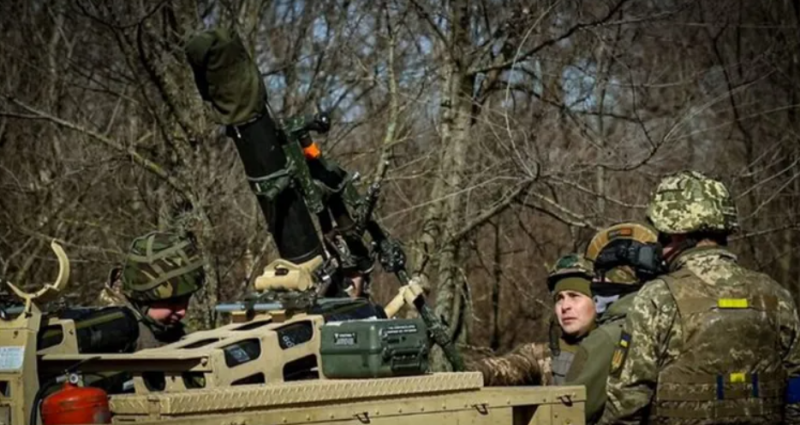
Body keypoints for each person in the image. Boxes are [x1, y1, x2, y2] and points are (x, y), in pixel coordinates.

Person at [599, 170, 800, 425]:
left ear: (677, 234)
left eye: (662, 236)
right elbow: (796, 387)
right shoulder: (776, 295)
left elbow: (626, 404)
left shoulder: (658, 298)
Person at [98, 230, 204, 351]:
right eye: (172, 302)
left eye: (186, 299)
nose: (182, 312)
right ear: (143, 300)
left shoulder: (159, 326)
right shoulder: (114, 335)